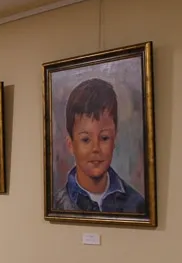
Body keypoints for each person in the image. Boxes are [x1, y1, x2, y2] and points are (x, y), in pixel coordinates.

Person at [52, 78, 145, 213]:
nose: (96, 148)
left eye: (104, 138)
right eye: (86, 140)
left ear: (114, 140)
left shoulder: (137, 205)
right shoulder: (57, 205)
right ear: (70, 145)